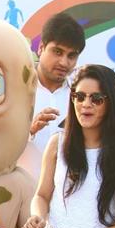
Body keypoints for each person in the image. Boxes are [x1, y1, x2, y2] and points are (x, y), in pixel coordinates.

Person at [21, 64, 115, 228]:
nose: (86, 104)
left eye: (96, 99)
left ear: (110, 104)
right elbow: (41, 195)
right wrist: (37, 216)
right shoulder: (57, 143)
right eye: (79, 96)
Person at [28, 13, 86, 151]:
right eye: (58, 52)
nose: (64, 63)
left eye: (72, 55)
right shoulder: (16, 87)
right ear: (41, 48)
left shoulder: (83, 95)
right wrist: (29, 132)